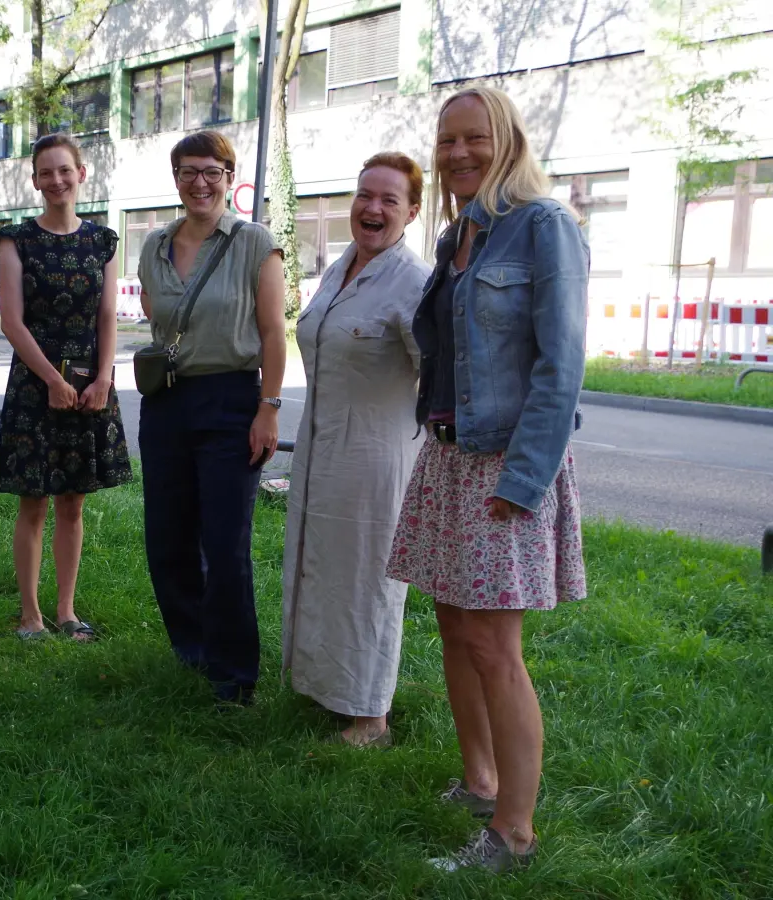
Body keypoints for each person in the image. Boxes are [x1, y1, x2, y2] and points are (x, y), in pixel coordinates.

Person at [387, 86, 589, 872]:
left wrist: (526, 479)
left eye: (475, 139)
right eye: (448, 142)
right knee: (451, 621)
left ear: (507, 140)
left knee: (494, 644)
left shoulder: (543, 228)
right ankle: (480, 780)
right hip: (447, 455)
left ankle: (514, 832)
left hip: (505, 461)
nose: (460, 153)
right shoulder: (456, 237)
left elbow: (561, 365)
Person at [280, 153, 430, 747]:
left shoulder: (414, 283)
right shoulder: (340, 267)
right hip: (320, 454)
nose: (372, 208)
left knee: (368, 581)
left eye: (389, 200)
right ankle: (325, 688)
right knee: (322, 571)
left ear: (412, 211)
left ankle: (371, 715)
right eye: (365, 195)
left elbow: (438, 376)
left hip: (374, 461)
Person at [138, 130, 287, 704]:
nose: (199, 182)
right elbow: (156, 312)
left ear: (229, 177)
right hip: (168, 401)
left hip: (231, 401)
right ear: (175, 178)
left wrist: (267, 409)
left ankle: (234, 672)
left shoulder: (255, 242)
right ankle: (192, 648)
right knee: (167, 535)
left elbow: (274, 333)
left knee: (225, 542)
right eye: (188, 171)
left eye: (212, 172)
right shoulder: (153, 245)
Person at [0, 132, 133, 641]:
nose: (56, 180)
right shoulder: (16, 240)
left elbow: (108, 316)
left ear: (81, 174)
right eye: (45, 173)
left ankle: (67, 612)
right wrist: (51, 379)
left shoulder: (102, 241)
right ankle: (30, 615)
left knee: (73, 502)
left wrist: (103, 379)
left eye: (64, 170)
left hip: (90, 384)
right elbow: (12, 322)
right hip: (36, 385)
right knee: (34, 501)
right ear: (34, 181)